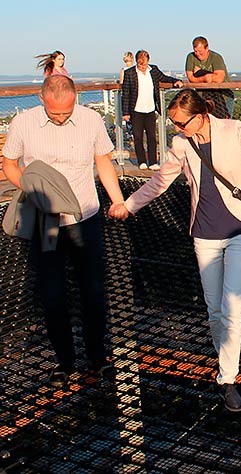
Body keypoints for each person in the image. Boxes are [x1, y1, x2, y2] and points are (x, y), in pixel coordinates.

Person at [109, 89, 241, 411]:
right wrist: (129, 205)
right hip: (205, 234)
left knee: (232, 306)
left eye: (181, 123)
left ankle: (228, 378)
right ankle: (227, 359)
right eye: (175, 124)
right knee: (214, 309)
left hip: (239, 229)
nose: (177, 128)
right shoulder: (181, 144)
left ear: (199, 116)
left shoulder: (231, 129)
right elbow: (160, 182)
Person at [2, 75, 127, 387]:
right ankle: (64, 360)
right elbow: (9, 163)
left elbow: (103, 162)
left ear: (76, 101)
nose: (61, 118)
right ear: (43, 100)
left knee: (94, 293)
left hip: (85, 216)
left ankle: (98, 357)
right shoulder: (23, 123)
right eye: (55, 113)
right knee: (53, 295)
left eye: (67, 112)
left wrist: (118, 200)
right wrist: (33, 191)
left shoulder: (91, 120)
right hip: (46, 222)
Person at [121, 50, 184, 170]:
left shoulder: (153, 70)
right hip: (136, 110)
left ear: (148, 61)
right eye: (140, 65)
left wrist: (175, 81)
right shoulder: (130, 73)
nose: (142, 67)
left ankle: (153, 162)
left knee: (151, 136)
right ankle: (142, 161)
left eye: (144, 65)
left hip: (150, 108)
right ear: (136, 62)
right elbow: (126, 93)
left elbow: (164, 78)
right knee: (138, 137)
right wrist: (125, 112)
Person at [185, 36, 234, 119]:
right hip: (203, 97)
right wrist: (206, 78)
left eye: (200, 51)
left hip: (223, 96)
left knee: (225, 123)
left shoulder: (216, 57)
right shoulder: (191, 57)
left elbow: (219, 79)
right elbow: (190, 78)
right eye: (195, 51)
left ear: (207, 48)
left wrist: (199, 73)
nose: (197, 54)